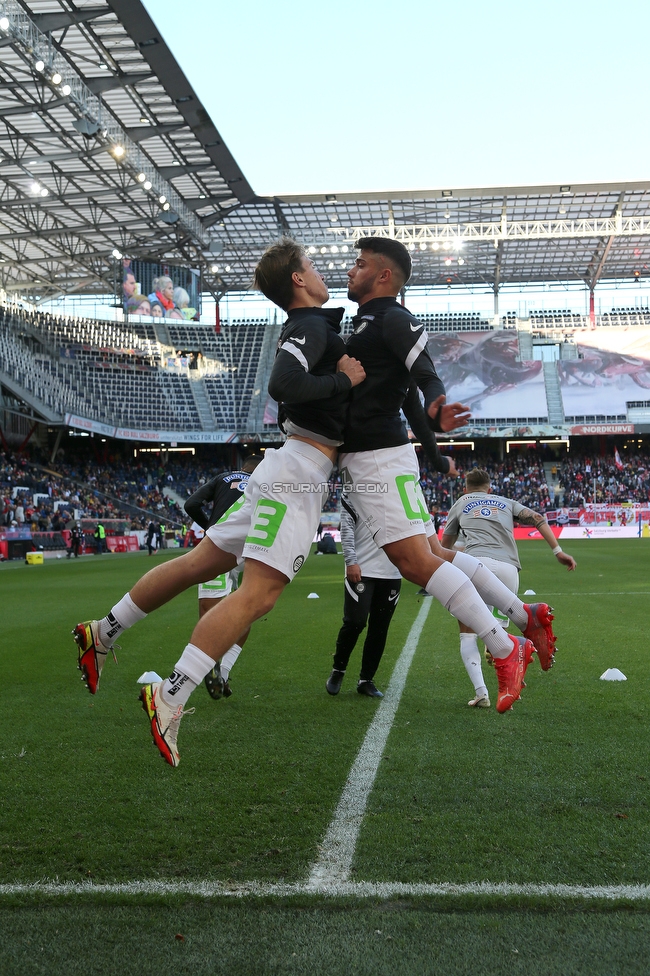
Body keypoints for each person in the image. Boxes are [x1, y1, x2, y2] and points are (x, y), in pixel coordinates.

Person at [72, 238, 366, 765]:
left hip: (285, 466)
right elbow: (283, 383)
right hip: (297, 472)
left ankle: (102, 631)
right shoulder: (310, 325)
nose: (322, 272)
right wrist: (342, 379)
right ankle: (170, 695)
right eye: (313, 265)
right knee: (258, 596)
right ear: (298, 278)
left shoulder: (315, 326)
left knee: (198, 564)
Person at [338, 237, 556, 715]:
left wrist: (438, 404)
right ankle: (526, 617)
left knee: (415, 562)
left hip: (378, 457)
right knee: (435, 552)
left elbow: (424, 376)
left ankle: (503, 648)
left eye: (359, 264)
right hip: (381, 456)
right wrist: (435, 452)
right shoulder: (361, 322)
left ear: (384, 276)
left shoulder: (394, 318)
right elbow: (408, 398)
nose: (349, 270)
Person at [441, 468, 577, 707]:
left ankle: (482, 693)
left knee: (467, 633)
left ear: (465, 488)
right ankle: (506, 650)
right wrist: (558, 551)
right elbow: (538, 518)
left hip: (475, 567)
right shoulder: (504, 501)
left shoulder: (460, 503)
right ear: (490, 488)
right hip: (508, 571)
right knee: (497, 636)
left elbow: (445, 546)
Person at [183, 455, 263, 700]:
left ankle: (208, 666)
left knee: (208, 616)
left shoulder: (222, 478)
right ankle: (224, 671)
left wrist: (209, 526)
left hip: (217, 548)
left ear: (243, 468)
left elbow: (191, 504)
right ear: (259, 470)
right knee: (245, 612)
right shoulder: (263, 483)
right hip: (247, 552)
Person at [326, 494, 402, 699]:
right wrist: (351, 561)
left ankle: (366, 680)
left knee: (380, 628)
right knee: (355, 622)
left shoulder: (400, 491)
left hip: (392, 572)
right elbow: (347, 528)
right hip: (362, 568)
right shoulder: (353, 491)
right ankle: (338, 670)